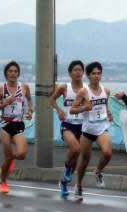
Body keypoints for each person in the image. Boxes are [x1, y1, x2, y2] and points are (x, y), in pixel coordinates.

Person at [71, 62, 113, 198]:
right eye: (94, 73)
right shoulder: (84, 92)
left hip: (102, 127)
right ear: (88, 75)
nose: (96, 76)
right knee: (84, 160)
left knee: (107, 153)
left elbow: (105, 105)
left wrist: (109, 113)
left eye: (99, 73)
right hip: (88, 129)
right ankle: (78, 184)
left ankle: (98, 172)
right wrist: (84, 108)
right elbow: (72, 109)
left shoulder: (106, 91)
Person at [0, 61, 33, 194]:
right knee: (8, 157)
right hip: (5, 124)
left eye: (15, 71)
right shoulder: (0, 89)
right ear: (6, 73)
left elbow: (29, 100)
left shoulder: (24, 87)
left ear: (18, 73)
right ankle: (3, 181)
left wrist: (30, 110)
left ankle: (11, 161)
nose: (13, 74)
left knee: (21, 154)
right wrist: (5, 103)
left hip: (18, 124)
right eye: (10, 71)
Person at [49, 60, 86, 197]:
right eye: (75, 70)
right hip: (68, 124)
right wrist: (59, 110)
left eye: (80, 70)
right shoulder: (64, 87)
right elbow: (51, 99)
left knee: (76, 156)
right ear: (70, 73)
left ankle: (64, 182)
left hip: (83, 125)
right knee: (75, 148)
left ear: (83, 72)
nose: (78, 72)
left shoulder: (86, 89)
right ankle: (67, 168)